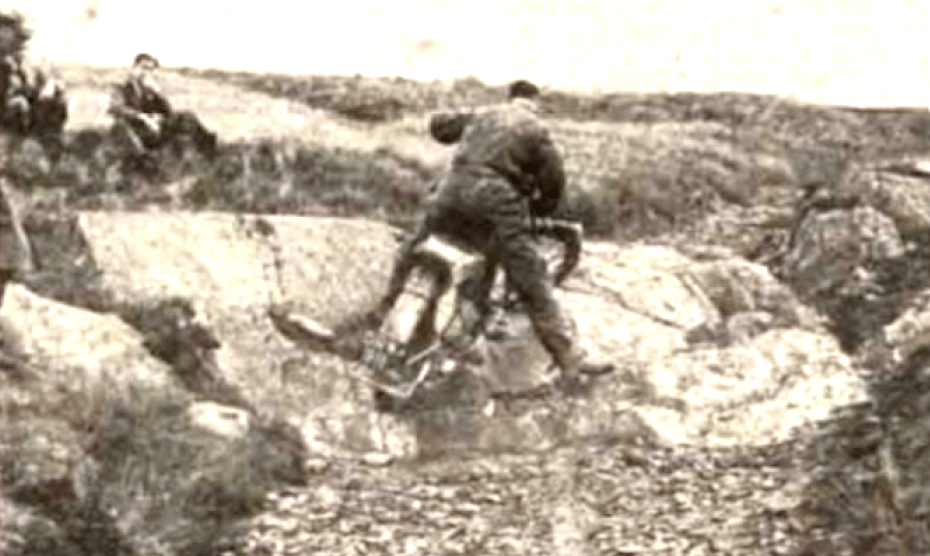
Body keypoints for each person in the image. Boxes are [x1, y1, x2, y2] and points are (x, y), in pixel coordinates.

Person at [361, 79, 613, 393]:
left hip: (450, 192)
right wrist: (537, 210)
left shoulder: (484, 113)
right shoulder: (536, 129)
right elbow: (554, 184)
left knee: (414, 249)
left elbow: (440, 128)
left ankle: (380, 316)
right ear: (535, 102)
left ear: (510, 97)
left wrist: (461, 119)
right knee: (531, 277)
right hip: (496, 201)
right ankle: (569, 359)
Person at [108, 53, 173, 163]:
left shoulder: (149, 88)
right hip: (126, 127)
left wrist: (158, 92)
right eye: (143, 68)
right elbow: (116, 108)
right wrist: (141, 116)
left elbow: (168, 112)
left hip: (147, 128)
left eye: (150, 70)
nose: (146, 73)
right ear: (134, 68)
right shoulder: (122, 84)